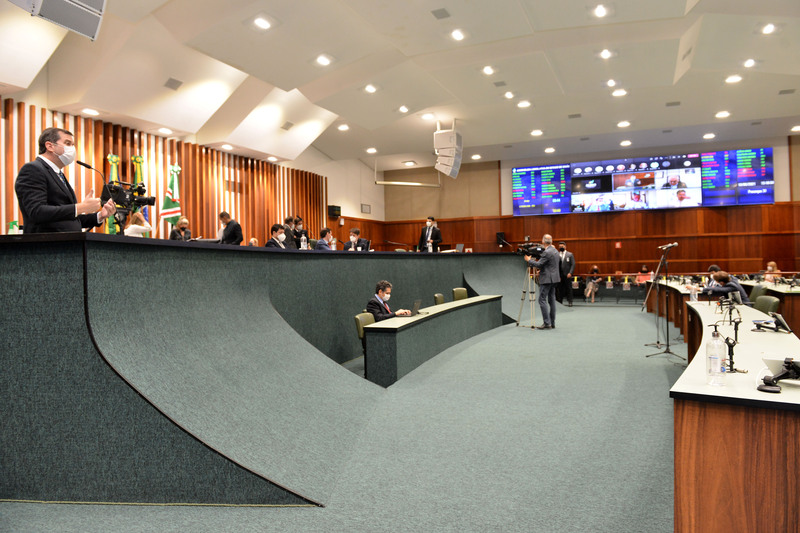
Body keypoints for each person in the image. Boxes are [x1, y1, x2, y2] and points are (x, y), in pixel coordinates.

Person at [14, 127, 116, 233]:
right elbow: (37, 212)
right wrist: (80, 208)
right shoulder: (33, 169)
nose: (72, 148)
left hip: (68, 241)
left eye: (73, 144)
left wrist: (100, 215)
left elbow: (67, 219)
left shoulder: (58, 174)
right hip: (47, 241)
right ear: (49, 146)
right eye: (67, 143)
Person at [525, 234, 560, 329]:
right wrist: (543, 270)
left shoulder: (546, 252)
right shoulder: (555, 251)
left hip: (547, 279)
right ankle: (552, 322)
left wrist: (529, 260)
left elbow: (539, 264)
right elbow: (551, 265)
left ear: (543, 241)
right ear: (551, 241)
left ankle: (547, 323)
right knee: (552, 300)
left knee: (542, 300)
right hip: (554, 278)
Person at [556, 241, 575, 306]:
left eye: (562, 246)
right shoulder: (557, 255)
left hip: (568, 274)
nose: (561, 247)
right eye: (560, 246)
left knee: (569, 288)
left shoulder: (570, 254)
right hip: (559, 275)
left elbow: (573, 264)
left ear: (565, 247)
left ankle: (570, 301)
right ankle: (560, 302)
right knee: (560, 289)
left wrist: (570, 273)